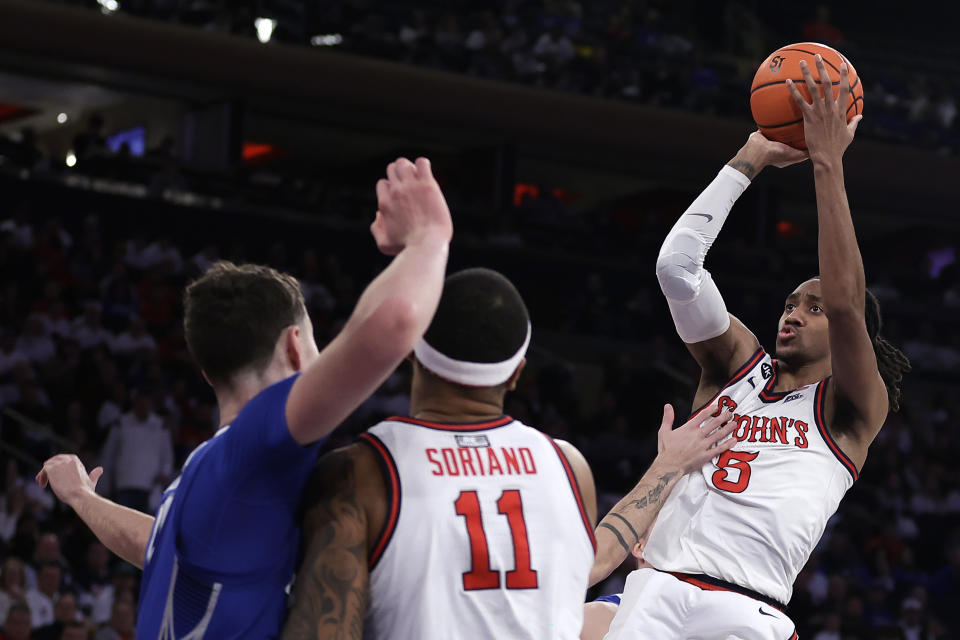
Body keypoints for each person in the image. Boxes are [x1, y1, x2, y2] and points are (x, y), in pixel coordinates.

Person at [36, 156, 454, 638]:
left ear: (207, 371)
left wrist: (82, 498)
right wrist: (430, 236)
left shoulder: (204, 474)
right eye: (317, 340)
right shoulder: (256, 448)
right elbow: (396, 321)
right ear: (295, 346)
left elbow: (152, 545)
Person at [601, 56, 911, 639]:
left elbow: (847, 303)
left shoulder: (851, 409)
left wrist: (827, 163)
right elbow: (678, 268)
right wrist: (748, 161)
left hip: (750, 610)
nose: (794, 313)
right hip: (660, 585)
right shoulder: (736, 367)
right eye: (791, 303)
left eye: (811, 308)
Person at [282, 268, 736, 639]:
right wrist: (668, 466)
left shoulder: (360, 472)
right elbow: (592, 563)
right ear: (517, 373)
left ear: (411, 355)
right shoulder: (566, 465)